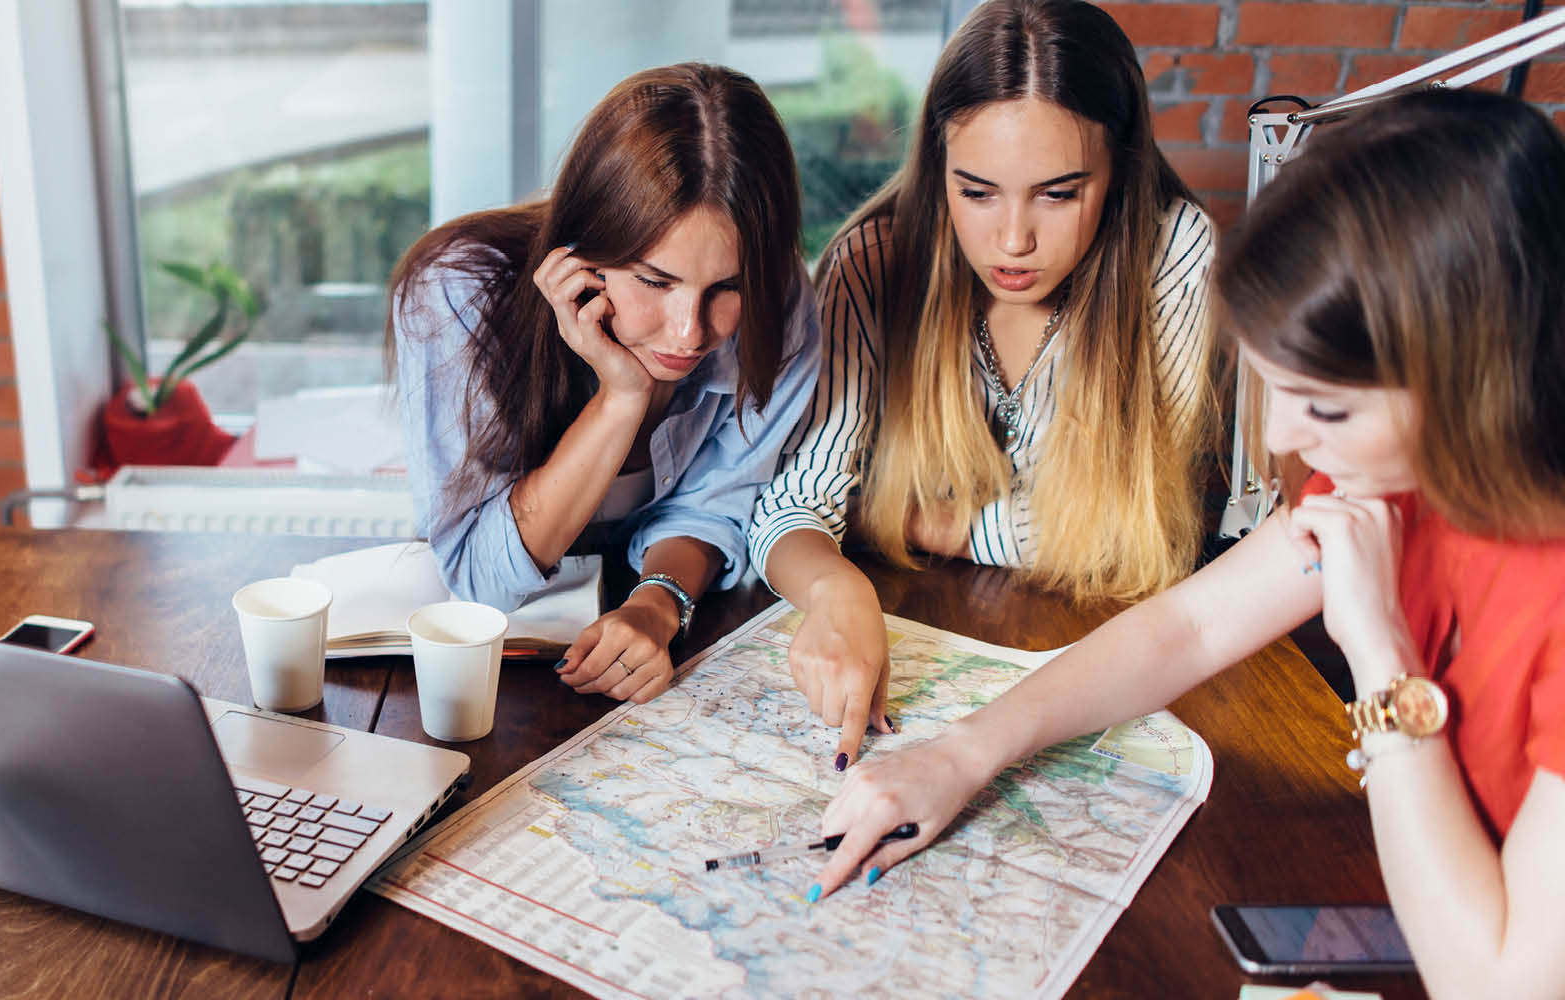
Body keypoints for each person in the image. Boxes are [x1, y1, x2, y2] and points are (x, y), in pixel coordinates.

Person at [811, 89, 1565, 995]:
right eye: (1274, 385)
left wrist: (1383, 662)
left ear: (1471, 377)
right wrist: (962, 753)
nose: (1287, 433)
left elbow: (1498, 984)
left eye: (1323, 405)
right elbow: (1189, 630)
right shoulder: (1398, 468)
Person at [749, 0, 1220, 770]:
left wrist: (931, 525)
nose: (1012, 241)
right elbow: (792, 505)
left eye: (1058, 193)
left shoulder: (1171, 251)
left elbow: (1133, 532)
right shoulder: (872, 260)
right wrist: (840, 591)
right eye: (977, 192)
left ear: (1121, 170)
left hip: (1100, 672)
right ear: (938, 169)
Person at [389, 63, 820, 705]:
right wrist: (621, 397)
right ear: (582, 249)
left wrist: (656, 605)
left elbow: (718, 501)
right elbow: (482, 579)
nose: (687, 334)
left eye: (726, 287)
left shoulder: (779, 301)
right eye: (654, 281)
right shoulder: (456, 289)